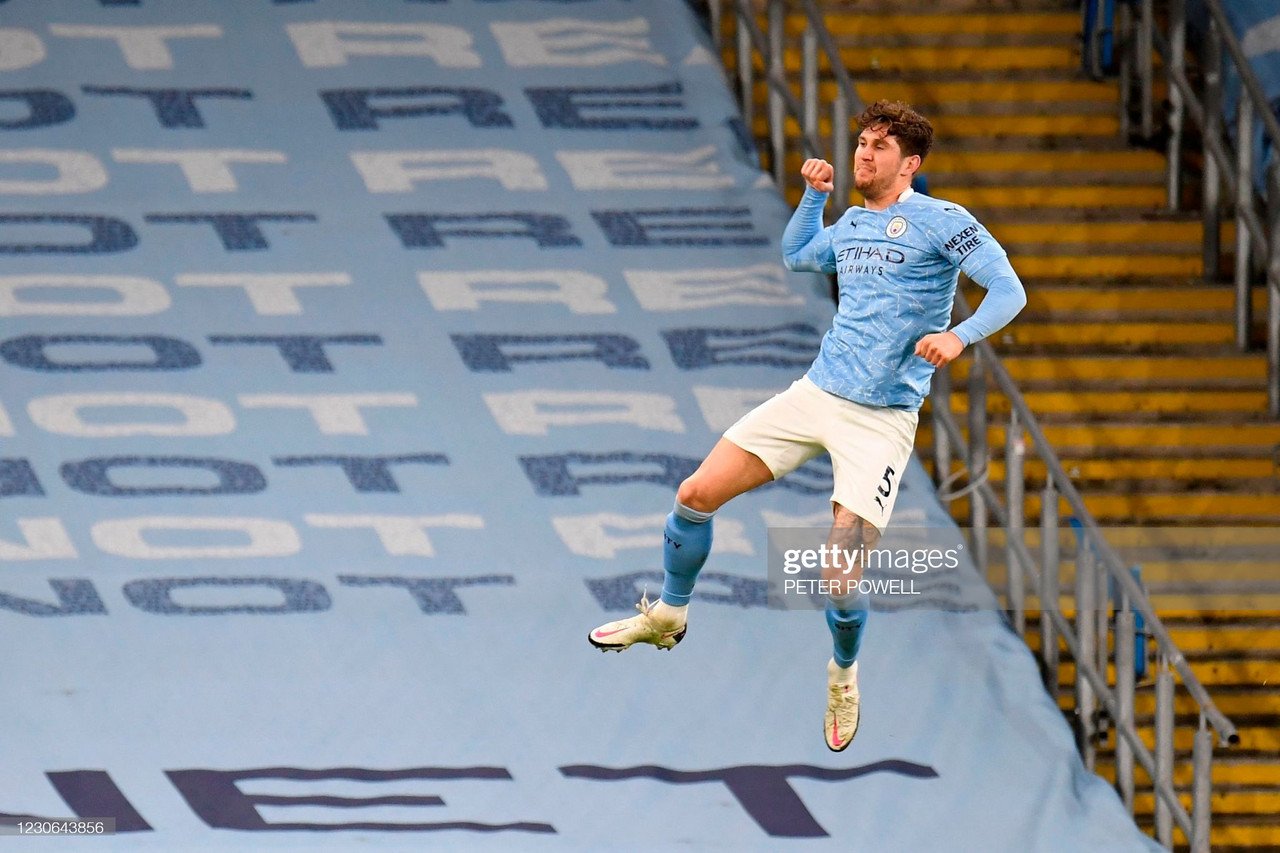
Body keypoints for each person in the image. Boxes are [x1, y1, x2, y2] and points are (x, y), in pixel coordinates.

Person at [587, 100, 1027, 752]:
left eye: (879, 146)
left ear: (910, 163)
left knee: (839, 575)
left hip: (879, 421)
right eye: (861, 141)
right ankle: (670, 615)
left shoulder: (944, 223)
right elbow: (798, 255)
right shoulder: (850, 222)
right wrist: (811, 197)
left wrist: (960, 337)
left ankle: (843, 673)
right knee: (693, 495)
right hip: (816, 393)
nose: (863, 153)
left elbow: (1010, 290)